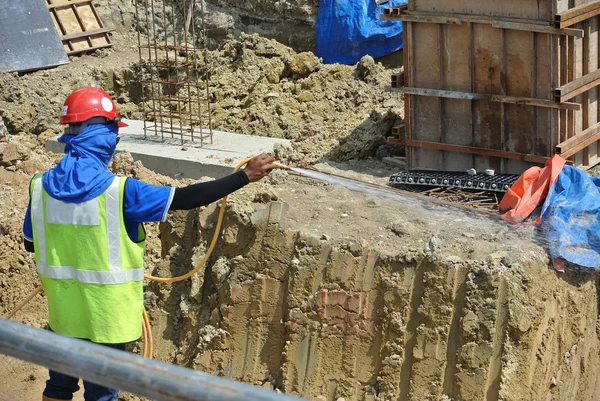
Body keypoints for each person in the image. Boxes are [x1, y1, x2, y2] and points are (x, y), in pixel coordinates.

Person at [22, 87, 277, 401]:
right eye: (114, 134)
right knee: (101, 395)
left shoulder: (39, 188)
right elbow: (184, 199)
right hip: (107, 320)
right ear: (102, 137)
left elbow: (32, 245)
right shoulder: (120, 192)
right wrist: (244, 176)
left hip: (63, 316)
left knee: (59, 386)